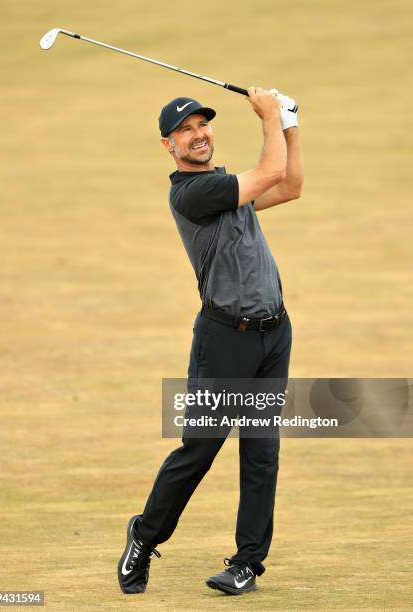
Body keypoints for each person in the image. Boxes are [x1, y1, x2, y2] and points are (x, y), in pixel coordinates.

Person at [118, 87, 303, 596]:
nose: (197, 135)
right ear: (167, 144)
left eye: (202, 125)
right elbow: (268, 173)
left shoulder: (226, 184)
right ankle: (145, 534)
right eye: (185, 130)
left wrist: (290, 124)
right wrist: (268, 116)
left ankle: (247, 562)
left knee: (262, 451)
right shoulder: (192, 194)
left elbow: (288, 187)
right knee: (201, 448)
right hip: (225, 340)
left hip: (273, 334)